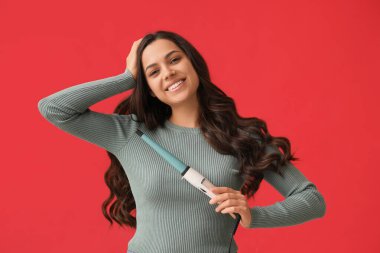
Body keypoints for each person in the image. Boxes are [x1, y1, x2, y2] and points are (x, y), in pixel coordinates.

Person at [37, 30, 326, 253]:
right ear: (146, 87)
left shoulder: (243, 137)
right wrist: (126, 78)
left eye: (174, 59)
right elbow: (54, 109)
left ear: (193, 63)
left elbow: (312, 200)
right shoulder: (130, 134)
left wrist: (253, 216)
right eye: (153, 71)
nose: (169, 72)